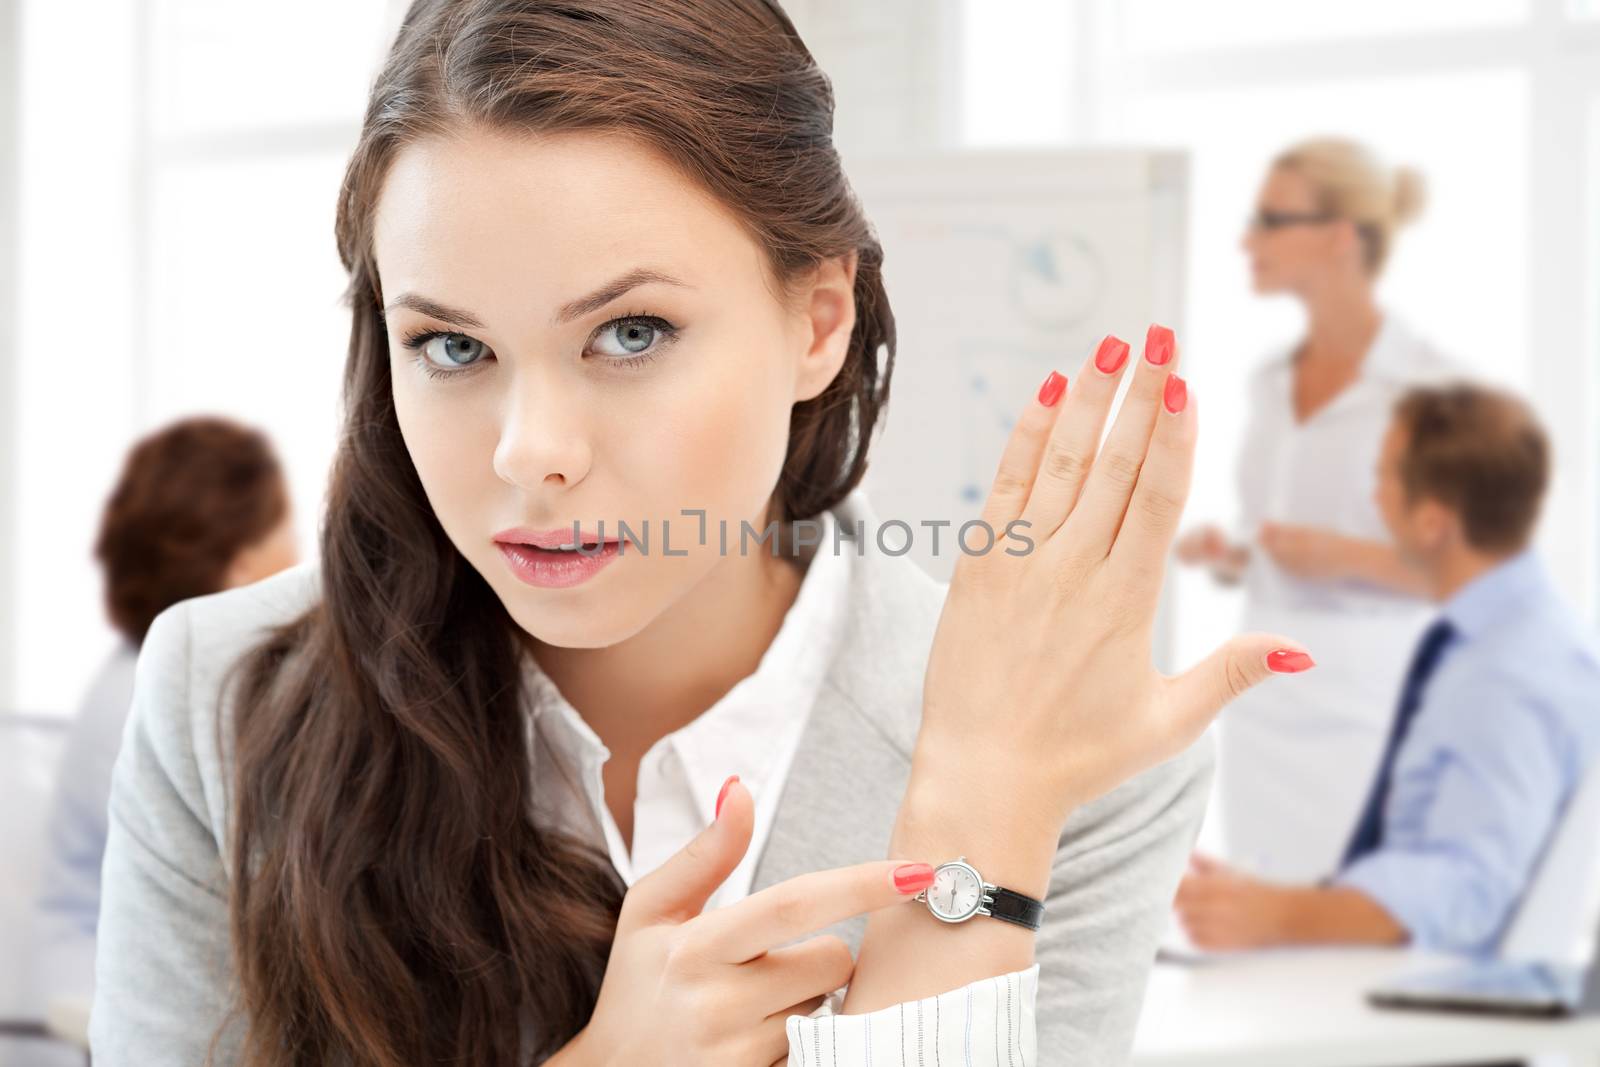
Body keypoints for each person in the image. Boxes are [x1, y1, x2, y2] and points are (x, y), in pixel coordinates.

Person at [88, 3, 1316, 1065]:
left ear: (817, 318)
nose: (529, 449)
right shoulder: (227, 698)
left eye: (630, 333)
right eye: (452, 346)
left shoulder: (1062, 757)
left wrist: (974, 803)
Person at [1175, 383, 1600, 955]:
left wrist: (1280, 915)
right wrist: (1264, 903)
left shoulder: (1508, 671)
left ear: (1431, 522)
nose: (1374, 500)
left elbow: (1467, 887)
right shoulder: (1500, 639)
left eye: (1382, 479)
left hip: (1446, 1014)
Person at [1174, 136, 1468, 881]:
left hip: (1375, 713)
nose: (1249, 240)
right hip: (1266, 706)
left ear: (1342, 238)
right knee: (1263, 935)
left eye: (1273, 220)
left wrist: (1339, 555)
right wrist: (1237, 552)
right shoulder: (1270, 381)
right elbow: (1280, 531)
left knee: (1351, 936)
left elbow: (1469, 572)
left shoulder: (1429, 388)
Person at [32, 416, 298, 1005]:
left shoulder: (143, 671)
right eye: (283, 528)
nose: (298, 554)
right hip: (118, 997)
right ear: (240, 561)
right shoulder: (161, 692)